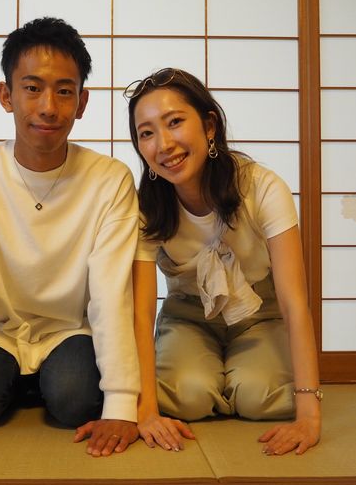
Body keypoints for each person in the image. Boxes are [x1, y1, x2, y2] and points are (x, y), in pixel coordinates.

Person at [0, 17, 140, 461]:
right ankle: (16, 380)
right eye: (32, 88)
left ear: (82, 102)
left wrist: (121, 405)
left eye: (64, 91)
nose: (48, 107)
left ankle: (41, 383)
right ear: (6, 95)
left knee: (77, 401)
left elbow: (111, 294)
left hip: (67, 330)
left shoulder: (109, 179)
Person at [126, 68, 321, 456]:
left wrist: (309, 415)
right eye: (146, 133)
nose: (164, 144)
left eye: (175, 122)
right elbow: (141, 311)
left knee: (258, 396)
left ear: (209, 125)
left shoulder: (262, 187)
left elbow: (294, 302)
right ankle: (215, 378)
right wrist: (146, 412)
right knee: (188, 396)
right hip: (187, 317)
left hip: (260, 314)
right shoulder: (146, 205)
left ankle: (238, 378)